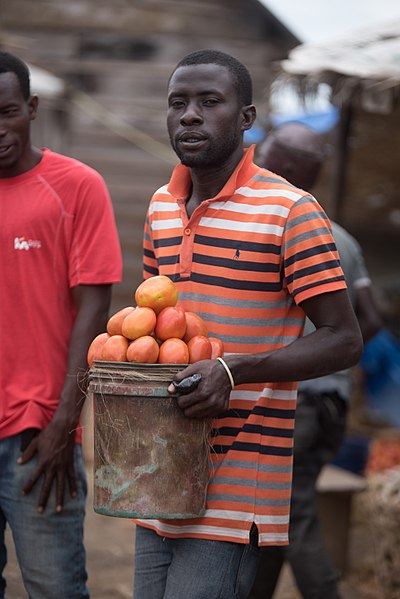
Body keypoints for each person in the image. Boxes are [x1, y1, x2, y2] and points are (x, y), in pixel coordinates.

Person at [133, 49, 363, 599]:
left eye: (210, 102)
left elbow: (345, 338)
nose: (190, 115)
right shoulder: (161, 208)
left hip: (236, 485)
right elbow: (150, 330)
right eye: (178, 103)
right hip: (157, 473)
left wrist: (234, 371)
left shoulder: (290, 210)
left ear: (246, 118)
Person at [0, 51, 122, 598]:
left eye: (7, 112)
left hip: (35, 437)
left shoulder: (76, 187)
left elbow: (94, 312)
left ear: (32, 107)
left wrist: (64, 424)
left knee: (55, 588)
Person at [249, 122, 382, 599]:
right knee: (269, 518)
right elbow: (371, 318)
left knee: (291, 515)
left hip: (297, 402)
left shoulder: (285, 227)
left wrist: (303, 357)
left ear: (280, 167)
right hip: (330, 404)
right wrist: (330, 354)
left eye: (260, 155)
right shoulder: (342, 238)